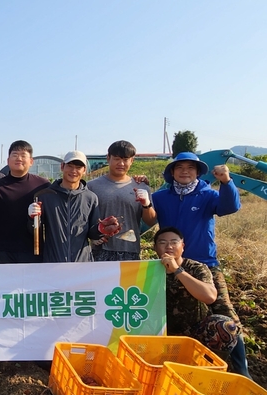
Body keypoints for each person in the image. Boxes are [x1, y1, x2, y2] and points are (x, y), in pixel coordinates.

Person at [151, 151, 249, 377]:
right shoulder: (161, 197)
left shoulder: (207, 194)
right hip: (168, 264)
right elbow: (147, 215)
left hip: (205, 262)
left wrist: (226, 182)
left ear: (198, 172)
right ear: (172, 173)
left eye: (190, 168)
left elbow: (230, 207)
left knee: (225, 311)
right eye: (179, 167)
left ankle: (241, 369)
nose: (185, 172)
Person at [153, 227, 243, 371]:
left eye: (174, 242)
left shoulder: (196, 268)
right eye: (162, 242)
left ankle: (209, 368)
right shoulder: (148, 270)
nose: (169, 246)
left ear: (183, 246)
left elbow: (209, 297)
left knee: (225, 325)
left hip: (196, 332)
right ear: (155, 247)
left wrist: (177, 270)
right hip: (161, 333)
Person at [29, 151, 120, 263]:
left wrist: (101, 229)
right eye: (70, 166)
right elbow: (34, 231)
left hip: (82, 264)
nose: (73, 171)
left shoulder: (90, 198)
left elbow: (92, 233)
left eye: (78, 167)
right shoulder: (46, 196)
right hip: (53, 262)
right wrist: (32, 218)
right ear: (62, 166)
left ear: (84, 170)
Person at [0, 140, 50, 264]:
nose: (19, 158)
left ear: (31, 161)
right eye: (15, 155)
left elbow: (51, 213)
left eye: (23, 155)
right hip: (3, 250)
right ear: (8, 161)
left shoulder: (42, 185)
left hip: (33, 249)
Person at [87, 140, 155, 261]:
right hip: (99, 250)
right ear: (108, 158)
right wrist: (92, 236)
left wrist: (146, 205)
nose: (121, 163)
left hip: (130, 251)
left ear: (132, 160)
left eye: (125, 159)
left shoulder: (141, 187)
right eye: (117, 159)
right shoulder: (91, 186)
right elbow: (83, 219)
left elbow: (151, 221)